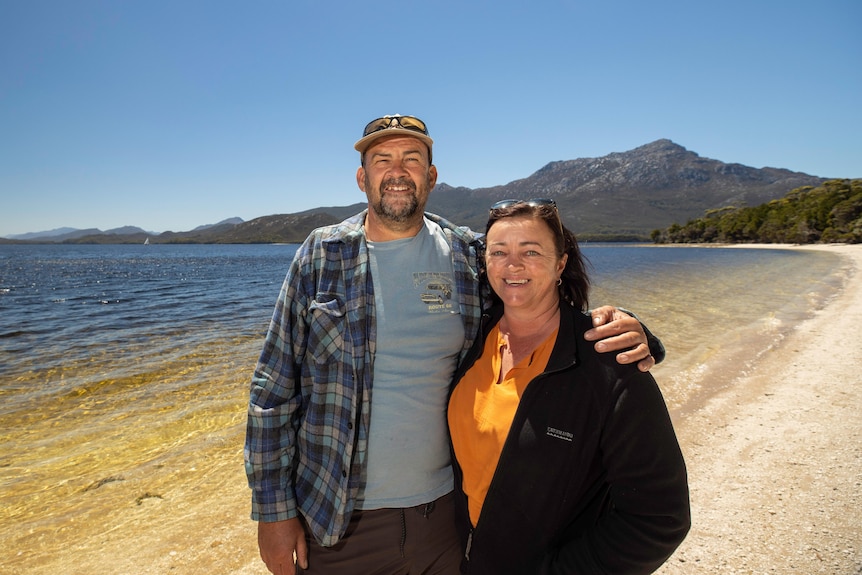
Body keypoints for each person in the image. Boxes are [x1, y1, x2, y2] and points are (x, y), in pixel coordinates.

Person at [245, 115, 666, 575]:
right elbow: (272, 391)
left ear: (431, 177)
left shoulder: (467, 254)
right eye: (383, 160)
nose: (398, 170)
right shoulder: (321, 254)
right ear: (363, 178)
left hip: (447, 520)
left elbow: (535, 299)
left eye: (413, 159)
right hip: (336, 521)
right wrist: (273, 512)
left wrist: (630, 330)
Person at [447, 199, 690, 574]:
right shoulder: (473, 337)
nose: (513, 265)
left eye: (531, 251)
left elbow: (660, 516)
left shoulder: (610, 363)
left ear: (561, 263)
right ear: (485, 263)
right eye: (499, 252)